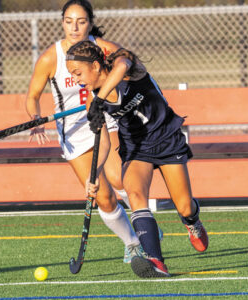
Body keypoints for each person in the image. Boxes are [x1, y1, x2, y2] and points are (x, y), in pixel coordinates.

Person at [65, 40, 209, 278]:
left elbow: (121, 67)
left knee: (184, 206)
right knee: (135, 195)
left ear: (95, 65)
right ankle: (156, 262)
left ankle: (192, 221)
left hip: (165, 137)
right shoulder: (93, 101)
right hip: (136, 147)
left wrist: (99, 98)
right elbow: (104, 145)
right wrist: (95, 175)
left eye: (78, 73)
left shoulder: (127, 66)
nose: (77, 79)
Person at [25, 0, 144, 263]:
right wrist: (36, 118)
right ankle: (132, 242)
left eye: (81, 21)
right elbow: (32, 96)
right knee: (102, 196)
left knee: (119, 178)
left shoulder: (101, 47)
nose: (74, 27)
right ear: (62, 22)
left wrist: (112, 84)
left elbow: (131, 62)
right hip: (74, 133)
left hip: (106, 121)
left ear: (90, 22)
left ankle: (145, 228)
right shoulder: (50, 57)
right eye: (69, 21)